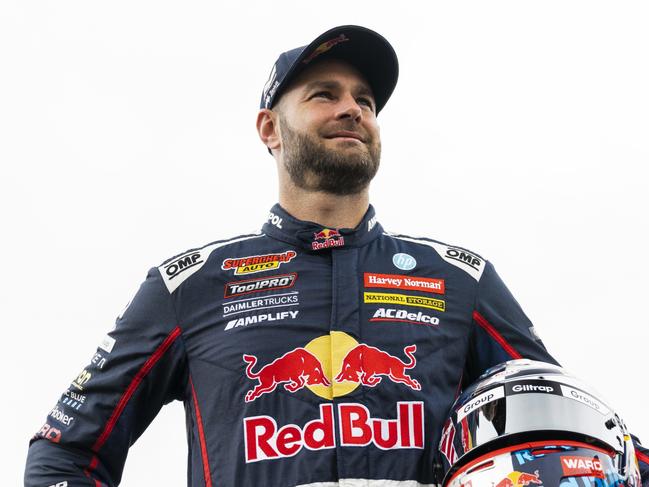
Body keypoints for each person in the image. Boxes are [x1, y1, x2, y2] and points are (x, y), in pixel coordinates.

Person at [24, 25, 648, 487]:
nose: (353, 109)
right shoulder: (188, 285)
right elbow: (65, 452)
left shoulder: (461, 278)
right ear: (269, 128)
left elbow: (569, 428)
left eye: (366, 101)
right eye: (324, 94)